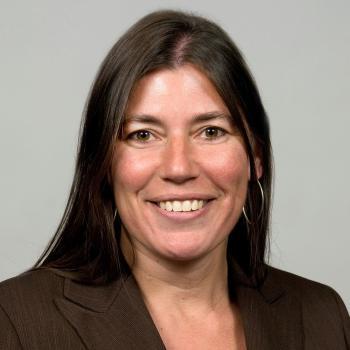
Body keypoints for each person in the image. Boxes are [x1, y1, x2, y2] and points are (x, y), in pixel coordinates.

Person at [0, 9, 349, 350]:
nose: (179, 168)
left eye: (211, 131)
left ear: (255, 157)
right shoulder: (15, 320)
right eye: (143, 134)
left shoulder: (322, 317)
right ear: (104, 162)